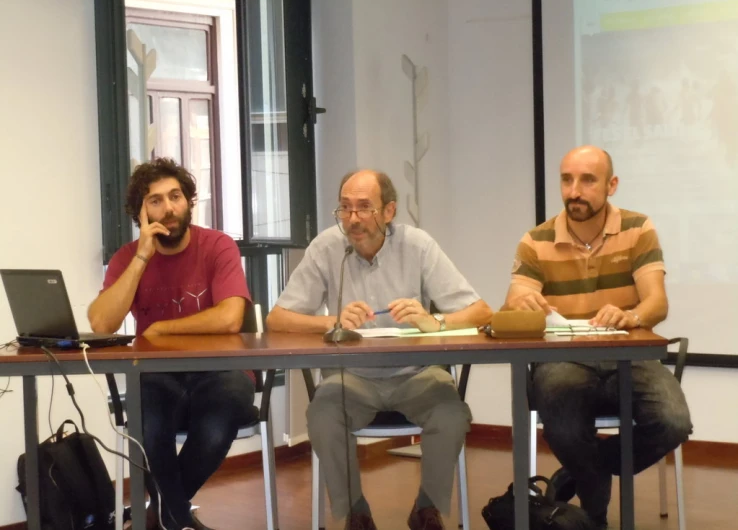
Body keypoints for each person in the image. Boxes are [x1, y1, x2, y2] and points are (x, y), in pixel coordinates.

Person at [267, 170, 492, 530]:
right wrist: (332, 322)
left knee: (451, 415)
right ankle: (355, 512)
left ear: (389, 212)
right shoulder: (327, 248)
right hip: (351, 377)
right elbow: (277, 319)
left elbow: (481, 312)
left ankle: (425, 509)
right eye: (344, 208)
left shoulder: (417, 245)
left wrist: (434, 322)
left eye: (363, 208)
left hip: (417, 374)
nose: (352, 219)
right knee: (323, 417)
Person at [502, 145, 692, 529]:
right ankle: (595, 522)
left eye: (588, 180)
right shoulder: (536, 240)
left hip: (629, 354)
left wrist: (631, 315)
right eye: (567, 180)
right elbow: (511, 304)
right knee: (567, 424)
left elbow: (657, 302)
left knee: (673, 421)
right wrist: (522, 304)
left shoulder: (637, 229)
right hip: (562, 359)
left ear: (612, 185)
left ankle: (580, 470)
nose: (575, 190)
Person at [88, 158, 256, 530]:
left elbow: (230, 316)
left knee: (217, 421)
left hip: (220, 370)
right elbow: (101, 322)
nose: (169, 208)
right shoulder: (127, 258)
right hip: (156, 373)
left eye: (176, 196)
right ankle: (173, 517)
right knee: (148, 426)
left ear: (189, 201)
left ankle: (164, 513)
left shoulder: (218, 246)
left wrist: (162, 329)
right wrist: (141, 258)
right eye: (156, 200)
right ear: (141, 213)